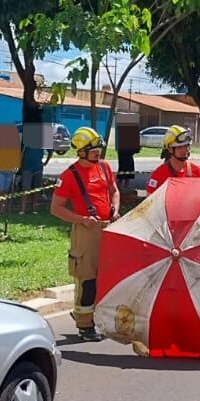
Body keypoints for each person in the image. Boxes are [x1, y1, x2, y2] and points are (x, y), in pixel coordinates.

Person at [50, 126, 120, 341]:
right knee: (87, 278)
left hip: (108, 228)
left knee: (107, 276)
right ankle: (84, 326)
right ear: (81, 152)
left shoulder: (105, 167)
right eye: (93, 150)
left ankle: (96, 318)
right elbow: (56, 208)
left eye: (98, 149)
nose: (97, 153)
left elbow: (114, 191)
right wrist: (81, 220)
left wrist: (115, 210)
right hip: (86, 232)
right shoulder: (69, 176)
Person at [145, 125, 200, 195]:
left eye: (186, 146)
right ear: (170, 149)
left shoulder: (197, 172)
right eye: (179, 147)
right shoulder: (158, 175)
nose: (184, 150)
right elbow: (150, 201)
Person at [19, 122, 46, 214]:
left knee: (36, 188)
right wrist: (19, 164)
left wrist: (46, 162)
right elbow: (21, 151)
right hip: (27, 166)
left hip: (38, 167)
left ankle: (34, 209)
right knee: (25, 188)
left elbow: (50, 151)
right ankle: (23, 209)